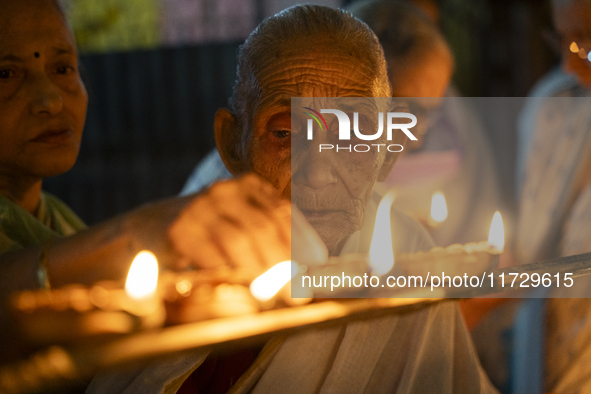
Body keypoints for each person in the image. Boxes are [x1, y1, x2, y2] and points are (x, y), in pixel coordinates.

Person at [88, 5, 498, 393]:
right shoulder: (183, 269)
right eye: (284, 135)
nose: (317, 173)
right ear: (233, 145)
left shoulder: (410, 260)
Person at [0, 0, 291, 364]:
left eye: (62, 68)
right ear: (231, 137)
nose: (50, 100)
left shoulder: (54, 218)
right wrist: (142, 231)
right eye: (6, 74)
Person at [508, 0, 591, 391]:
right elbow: (530, 249)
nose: (570, 64)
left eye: (588, 39)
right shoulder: (552, 104)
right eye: (563, 40)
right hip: (546, 360)